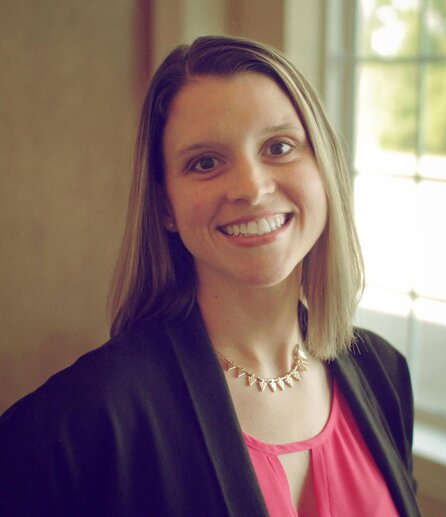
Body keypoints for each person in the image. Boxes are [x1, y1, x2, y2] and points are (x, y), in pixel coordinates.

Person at [0, 35, 420, 516]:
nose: (251, 188)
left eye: (279, 147)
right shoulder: (86, 416)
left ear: (324, 168)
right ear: (165, 206)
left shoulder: (384, 373)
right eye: (205, 162)